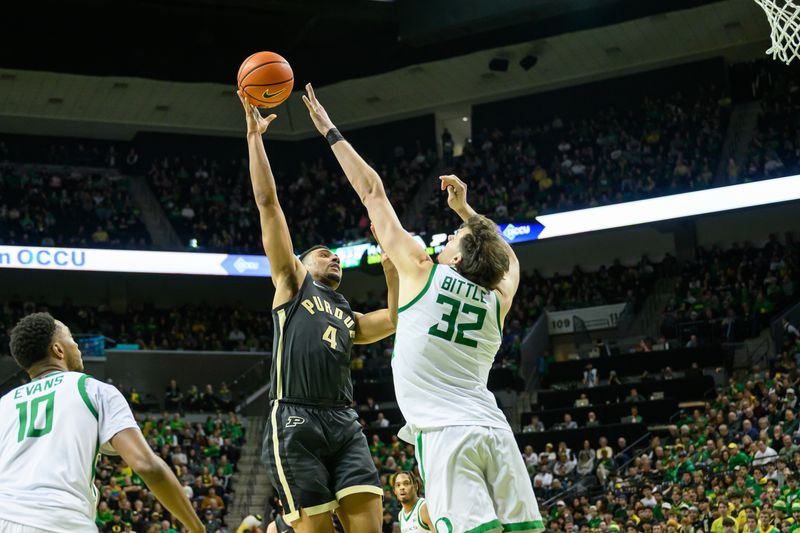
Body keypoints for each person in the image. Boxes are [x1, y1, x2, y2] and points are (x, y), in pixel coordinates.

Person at [302, 84, 543, 532]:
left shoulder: (421, 270)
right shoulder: (497, 301)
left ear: (455, 259)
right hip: (495, 431)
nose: (447, 239)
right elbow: (509, 261)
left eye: (452, 240)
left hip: (446, 437)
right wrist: (466, 213)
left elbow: (372, 191)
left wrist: (329, 130)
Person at [239, 91, 398, 533]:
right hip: (294, 418)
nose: (334, 259)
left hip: (344, 422)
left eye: (337, 257)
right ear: (304, 262)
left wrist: (391, 270)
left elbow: (397, 317)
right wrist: (255, 138)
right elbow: (268, 204)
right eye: (324, 254)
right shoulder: (292, 283)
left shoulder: (348, 314)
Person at [0, 312, 203, 533]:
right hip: (56, 521)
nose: (77, 346)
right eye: (71, 339)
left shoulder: (5, 403)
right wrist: (196, 528)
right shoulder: (92, 389)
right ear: (58, 350)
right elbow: (147, 465)